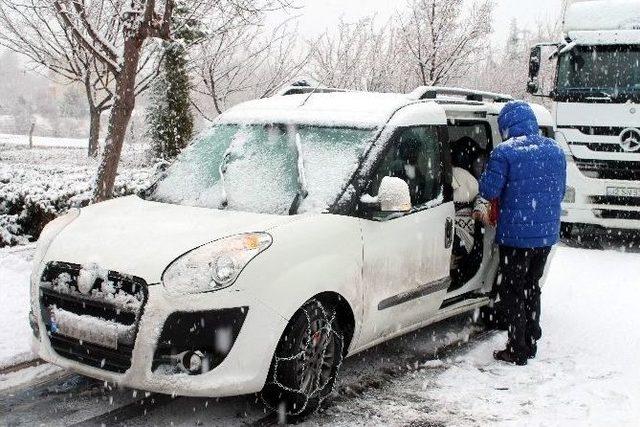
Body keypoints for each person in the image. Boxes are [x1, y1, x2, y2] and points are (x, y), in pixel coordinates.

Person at [477, 101, 566, 366]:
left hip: (516, 237)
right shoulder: (555, 150)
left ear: (506, 126)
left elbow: (489, 191)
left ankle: (517, 348)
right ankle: (531, 338)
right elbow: (559, 191)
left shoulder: (505, 152)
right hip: (545, 235)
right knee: (531, 286)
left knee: (513, 289)